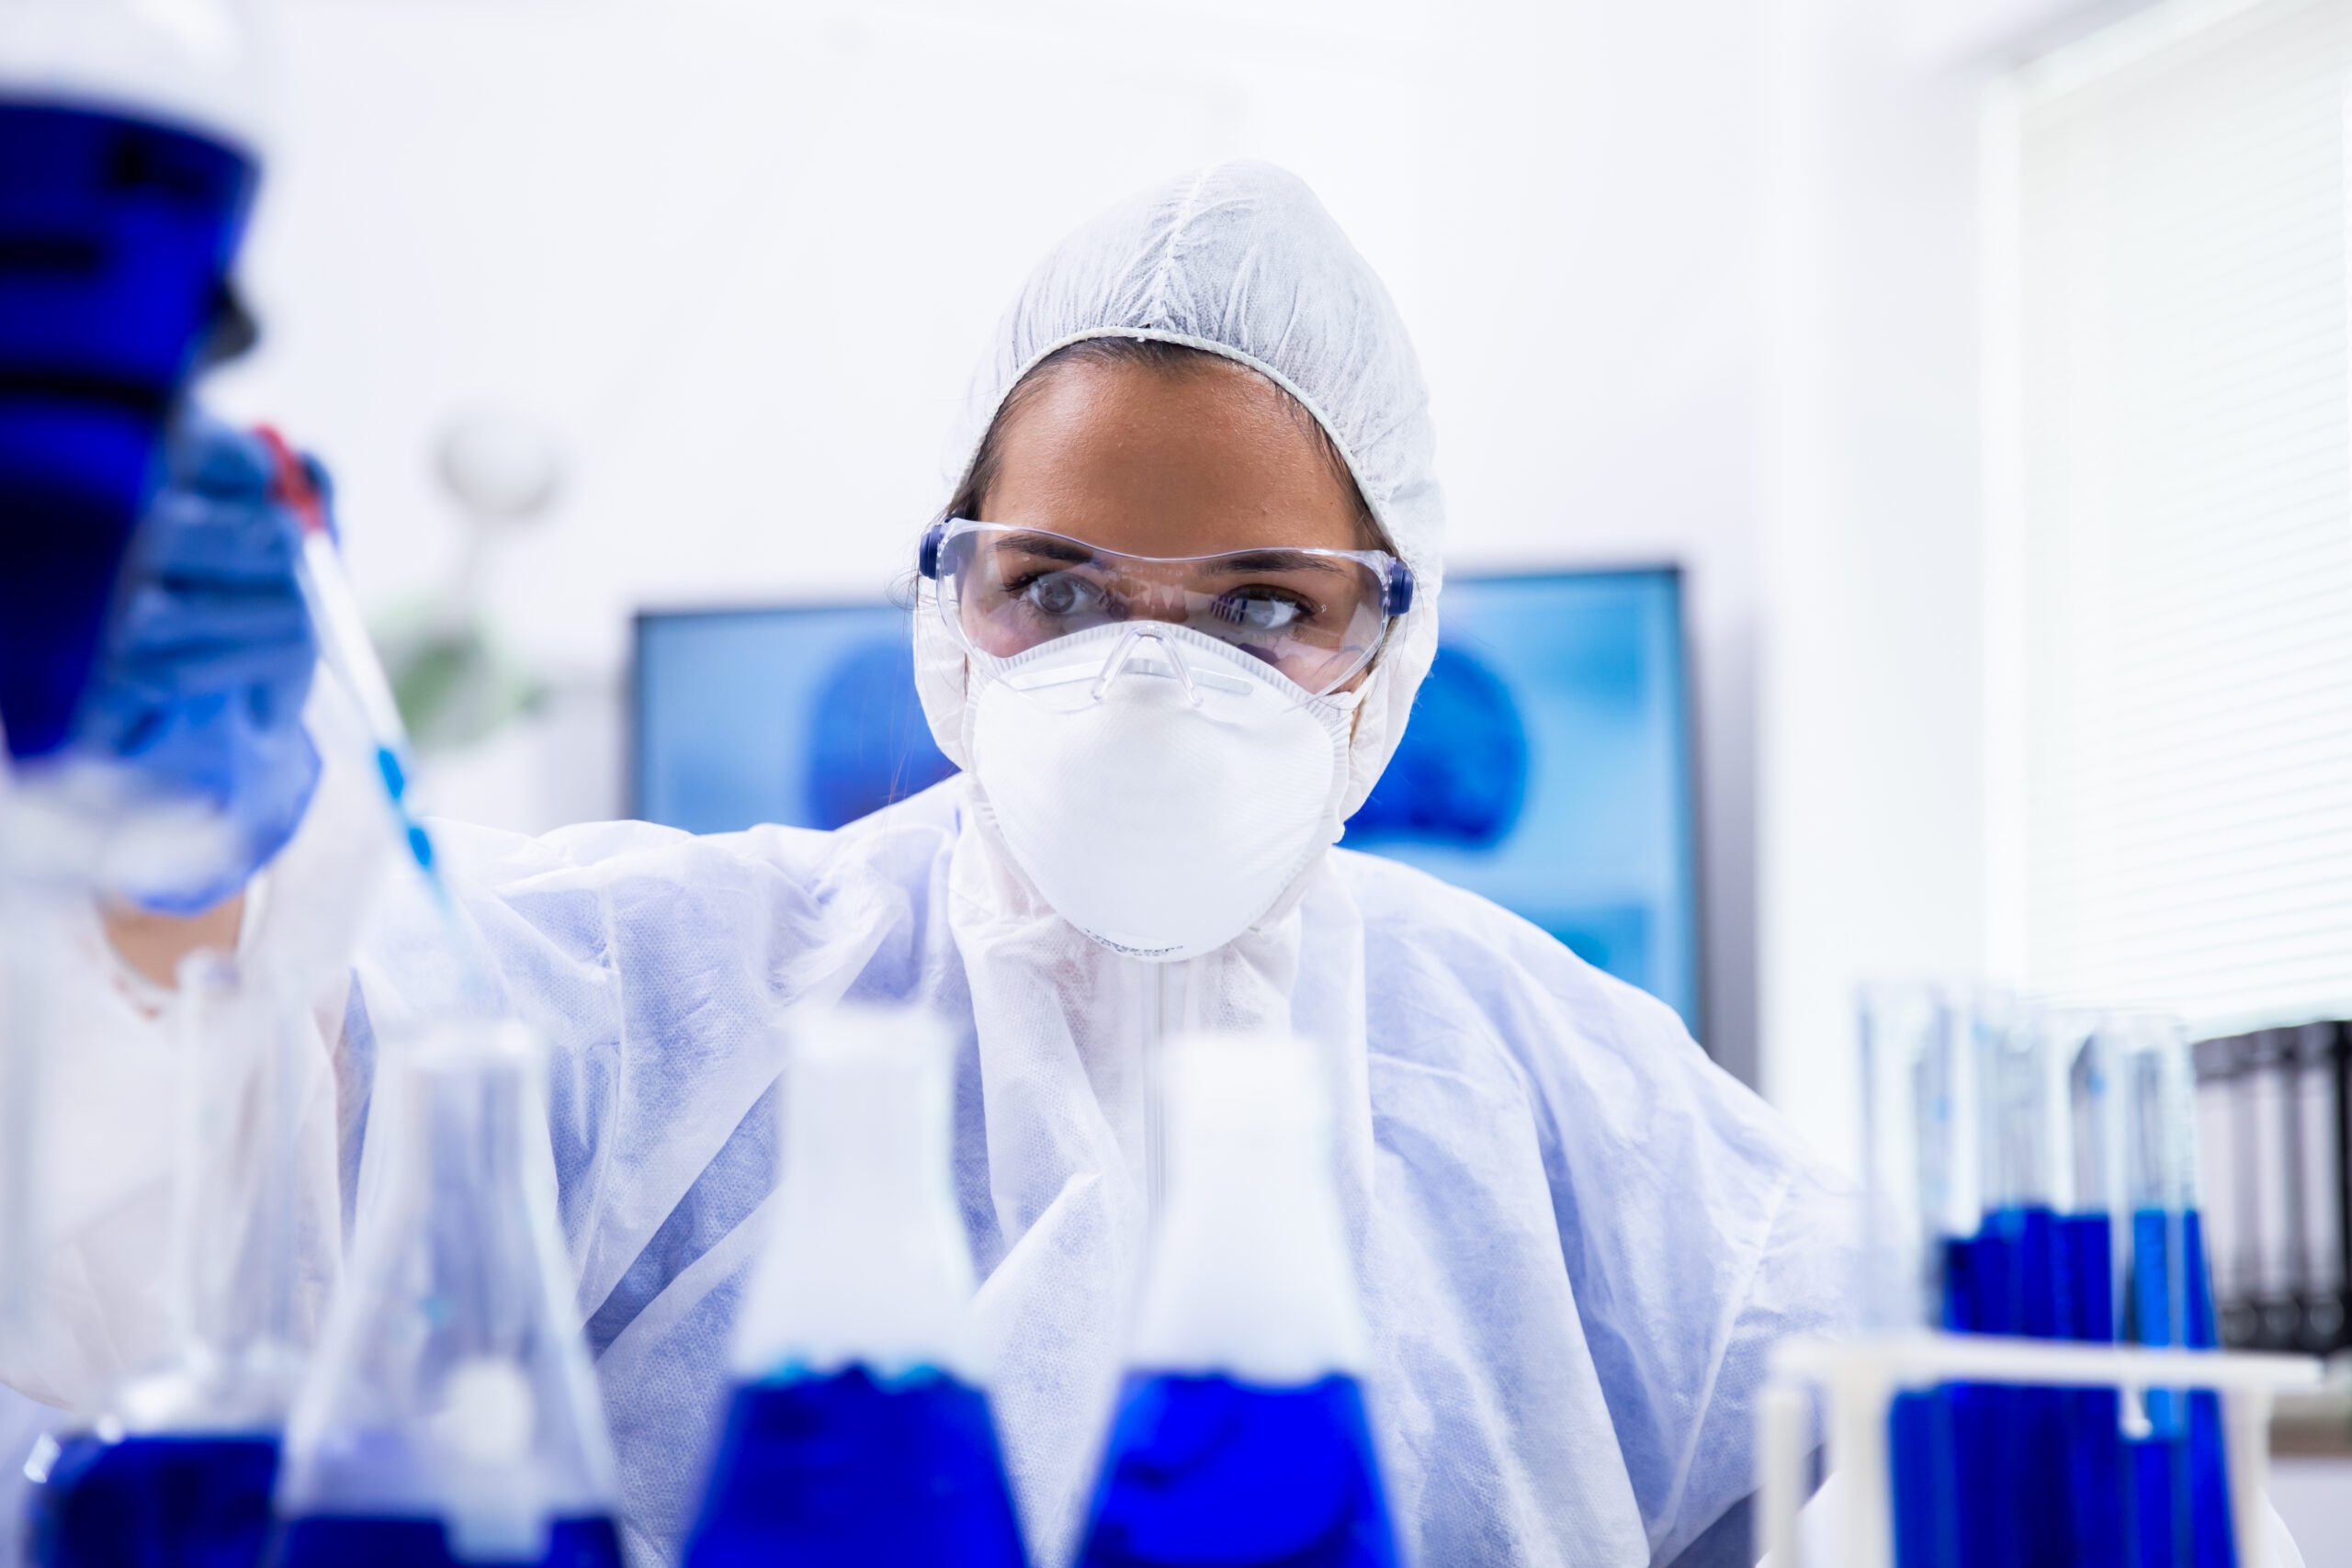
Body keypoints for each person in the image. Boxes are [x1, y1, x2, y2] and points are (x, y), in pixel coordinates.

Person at [16, 162, 1857, 1566]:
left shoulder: (1555, 1087)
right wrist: (173, 864)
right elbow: (189, 1207)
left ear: (1391, 644)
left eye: (1261, 607)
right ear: (948, 602)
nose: (1147, 679)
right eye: (1056, 587)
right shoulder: (673, 997)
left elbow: (1871, 1425)